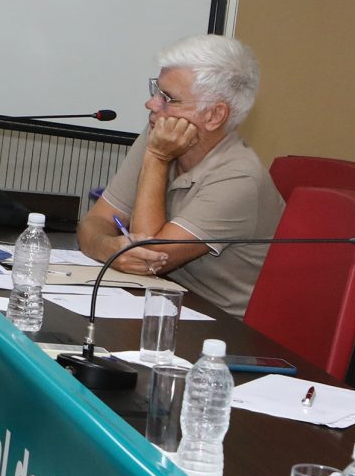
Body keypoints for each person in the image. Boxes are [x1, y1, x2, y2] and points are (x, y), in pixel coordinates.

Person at [73, 34, 284, 315]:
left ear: (214, 116)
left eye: (168, 98)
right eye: (155, 90)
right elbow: (94, 221)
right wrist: (112, 248)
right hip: (158, 300)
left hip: (216, 328)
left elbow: (148, 256)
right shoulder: (158, 133)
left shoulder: (239, 178)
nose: (151, 105)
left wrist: (158, 158)